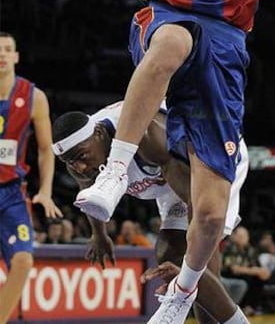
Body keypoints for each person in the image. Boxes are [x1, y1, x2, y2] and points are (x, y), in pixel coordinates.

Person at [52, 0, 260, 322]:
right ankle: (115, 172)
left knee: (211, 216)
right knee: (173, 37)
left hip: (226, 44)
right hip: (164, 18)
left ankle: (181, 297)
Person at [52, 100, 250, 324]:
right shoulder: (80, 155)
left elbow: (197, 207)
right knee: (169, 254)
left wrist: (194, 258)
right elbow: (87, 191)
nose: (78, 167)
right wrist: (99, 233)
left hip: (211, 161)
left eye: (81, 157)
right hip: (170, 179)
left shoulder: (148, 135)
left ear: (99, 133)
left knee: (201, 257)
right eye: (69, 162)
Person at [0, 32, 62, 324]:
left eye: (7, 49)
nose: (2, 54)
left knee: (23, 262)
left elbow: (45, 149)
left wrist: (46, 190)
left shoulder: (34, 97)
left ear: (16, 56)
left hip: (11, 194)